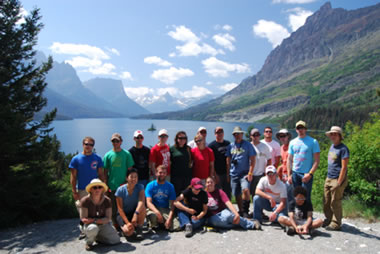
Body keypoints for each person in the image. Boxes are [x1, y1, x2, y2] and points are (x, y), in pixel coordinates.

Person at [69, 136, 105, 239]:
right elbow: (73, 176)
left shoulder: (97, 158)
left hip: (95, 189)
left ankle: (95, 229)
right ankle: (83, 230)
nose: (88, 146)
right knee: (82, 210)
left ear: (93, 146)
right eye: (86, 144)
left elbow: (101, 174)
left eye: (91, 144)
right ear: (83, 144)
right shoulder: (76, 159)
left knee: (95, 209)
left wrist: (102, 188)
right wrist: (74, 190)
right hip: (82, 189)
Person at [103, 133, 134, 227]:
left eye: (117, 141)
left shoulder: (126, 154)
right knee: (113, 206)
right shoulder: (108, 155)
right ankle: (116, 224)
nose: (115, 143)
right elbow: (105, 172)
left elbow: (130, 170)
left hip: (124, 185)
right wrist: (105, 185)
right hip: (112, 185)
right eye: (113, 141)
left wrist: (129, 183)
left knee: (125, 206)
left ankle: (126, 222)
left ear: (121, 142)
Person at [80, 179, 120, 250]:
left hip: (102, 224)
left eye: (100, 187)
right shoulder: (84, 201)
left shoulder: (107, 200)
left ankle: (97, 237)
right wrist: (97, 221)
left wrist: (94, 220)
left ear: (102, 189)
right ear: (90, 190)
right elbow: (84, 219)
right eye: (95, 187)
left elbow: (108, 218)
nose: (97, 189)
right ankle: (89, 242)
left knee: (116, 240)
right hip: (89, 225)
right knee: (93, 228)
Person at [226, 126, 256, 218]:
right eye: (235, 134)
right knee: (236, 193)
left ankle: (246, 210)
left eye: (239, 133)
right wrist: (228, 174)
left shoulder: (248, 145)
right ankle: (241, 211)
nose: (237, 135)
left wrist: (250, 173)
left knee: (245, 190)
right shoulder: (231, 145)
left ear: (242, 134)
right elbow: (228, 160)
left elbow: (253, 159)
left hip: (245, 173)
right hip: (234, 173)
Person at [323, 126, 349, 231]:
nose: (333, 136)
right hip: (329, 177)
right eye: (331, 134)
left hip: (337, 178)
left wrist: (339, 182)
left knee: (335, 201)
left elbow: (344, 167)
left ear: (339, 136)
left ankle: (336, 223)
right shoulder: (332, 146)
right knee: (326, 200)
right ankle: (329, 219)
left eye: (335, 134)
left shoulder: (343, 149)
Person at [287, 121, 320, 201]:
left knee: (305, 197)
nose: (300, 130)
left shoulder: (313, 142)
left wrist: (310, 174)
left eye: (302, 128)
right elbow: (289, 159)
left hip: (306, 173)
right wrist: (289, 175)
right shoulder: (292, 142)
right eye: (298, 128)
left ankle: (307, 213)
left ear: (305, 129)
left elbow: (317, 160)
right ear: (296, 130)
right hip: (295, 173)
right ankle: (298, 213)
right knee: (296, 197)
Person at [145, 165, 179, 231]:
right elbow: (148, 203)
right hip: (154, 208)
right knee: (153, 216)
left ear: (166, 174)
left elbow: (173, 204)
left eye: (164, 173)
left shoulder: (170, 186)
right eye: (160, 172)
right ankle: (155, 224)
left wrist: (169, 218)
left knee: (177, 227)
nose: (162, 174)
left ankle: (162, 224)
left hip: (165, 209)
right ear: (156, 173)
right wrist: (157, 212)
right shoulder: (150, 185)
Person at [115, 168, 146, 240]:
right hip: (123, 215)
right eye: (131, 177)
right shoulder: (120, 190)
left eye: (135, 177)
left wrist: (135, 214)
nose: (134, 179)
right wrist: (127, 222)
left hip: (134, 212)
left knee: (143, 208)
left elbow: (141, 201)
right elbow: (120, 209)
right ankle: (127, 228)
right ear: (126, 178)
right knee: (129, 232)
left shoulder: (140, 187)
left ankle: (139, 229)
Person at [208, 126, 231, 199]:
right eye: (218, 132)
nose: (220, 134)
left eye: (221, 132)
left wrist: (228, 173)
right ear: (215, 134)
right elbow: (211, 162)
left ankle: (228, 208)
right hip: (217, 173)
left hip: (227, 173)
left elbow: (230, 158)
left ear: (223, 133)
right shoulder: (211, 145)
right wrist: (215, 175)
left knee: (227, 192)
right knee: (217, 193)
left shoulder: (228, 143)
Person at [250, 128, 272, 197]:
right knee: (250, 193)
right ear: (251, 136)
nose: (256, 137)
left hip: (261, 174)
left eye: (258, 135)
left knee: (259, 194)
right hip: (250, 174)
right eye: (254, 135)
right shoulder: (248, 146)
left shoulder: (265, 146)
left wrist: (267, 172)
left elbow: (269, 160)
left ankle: (258, 207)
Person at [170, 131, 193, 196]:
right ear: (176, 139)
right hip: (176, 177)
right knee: (176, 195)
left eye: (184, 138)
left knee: (186, 195)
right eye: (180, 138)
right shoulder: (172, 149)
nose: (182, 140)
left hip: (187, 177)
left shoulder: (188, 149)